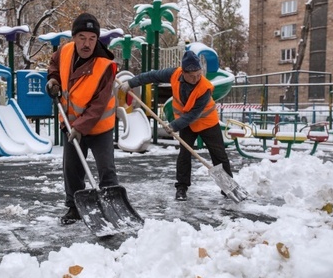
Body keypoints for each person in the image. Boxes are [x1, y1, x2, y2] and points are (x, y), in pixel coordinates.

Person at [119, 51, 233, 201]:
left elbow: (193, 114)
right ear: (183, 72)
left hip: (206, 122)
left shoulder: (205, 87)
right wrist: (131, 83)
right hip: (186, 123)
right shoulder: (174, 73)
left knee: (219, 156)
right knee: (184, 155)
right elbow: (151, 76)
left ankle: (228, 189)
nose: (196, 78)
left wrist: (174, 125)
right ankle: (181, 188)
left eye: (199, 74)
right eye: (192, 76)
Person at [46, 13, 119, 224]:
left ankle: (113, 209)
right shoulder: (65, 51)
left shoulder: (104, 66)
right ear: (74, 37)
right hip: (71, 123)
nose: (87, 44)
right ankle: (74, 208)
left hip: (99, 126)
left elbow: (99, 104)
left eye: (92, 38)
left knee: (106, 168)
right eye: (82, 38)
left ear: (97, 40)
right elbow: (54, 65)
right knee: (72, 168)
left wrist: (81, 126)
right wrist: (53, 79)